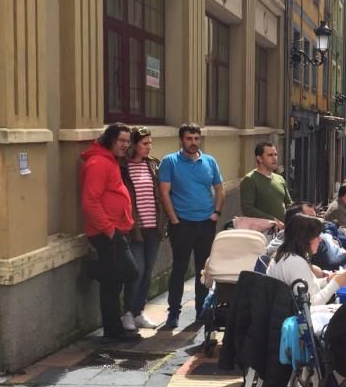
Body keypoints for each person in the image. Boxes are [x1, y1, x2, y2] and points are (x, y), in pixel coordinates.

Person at [159, 123, 225, 329]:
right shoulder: (170, 161)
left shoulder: (210, 161)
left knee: (203, 270)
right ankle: (173, 314)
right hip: (182, 223)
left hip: (206, 223)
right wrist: (174, 219)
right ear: (181, 140)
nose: (193, 143)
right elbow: (164, 193)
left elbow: (220, 189)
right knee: (179, 269)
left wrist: (216, 214)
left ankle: (201, 311)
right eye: (189, 139)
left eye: (196, 138)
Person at [80, 123, 141, 342]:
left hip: (114, 231)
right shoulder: (98, 163)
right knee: (126, 274)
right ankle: (93, 270)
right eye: (121, 140)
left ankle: (113, 330)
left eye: (127, 141)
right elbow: (90, 202)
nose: (126, 145)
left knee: (113, 282)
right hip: (106, 233)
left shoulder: (109, 160)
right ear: (110, 140)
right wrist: (110, 230)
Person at [120, 126, 167, 331]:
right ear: (134, 145)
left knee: (148, 272)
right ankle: (127, 313)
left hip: (153, 228)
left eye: (150, 143)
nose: (149, 147)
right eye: (145, 143)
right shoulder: (123, 167)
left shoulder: (153, 165)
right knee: (136, 272)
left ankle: (138, 312)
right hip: (135, 230)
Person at [267, 213, 346, 304]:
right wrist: (335, 284)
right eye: (317, 236)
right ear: (305, 239)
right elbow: (311, 304)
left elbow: (307, 287)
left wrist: (327, 280)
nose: (320, 240)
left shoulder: (285, 255)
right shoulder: (295, 263)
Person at [239, 142, 291, 226]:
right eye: (270, 155)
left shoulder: (280, 179)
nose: (274, 158)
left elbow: (289, 203)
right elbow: (248, 209)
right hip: (262, 232)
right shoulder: (250, 180)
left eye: (275, 154)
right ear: (260, 158)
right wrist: (273, 220)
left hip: (282, 230)